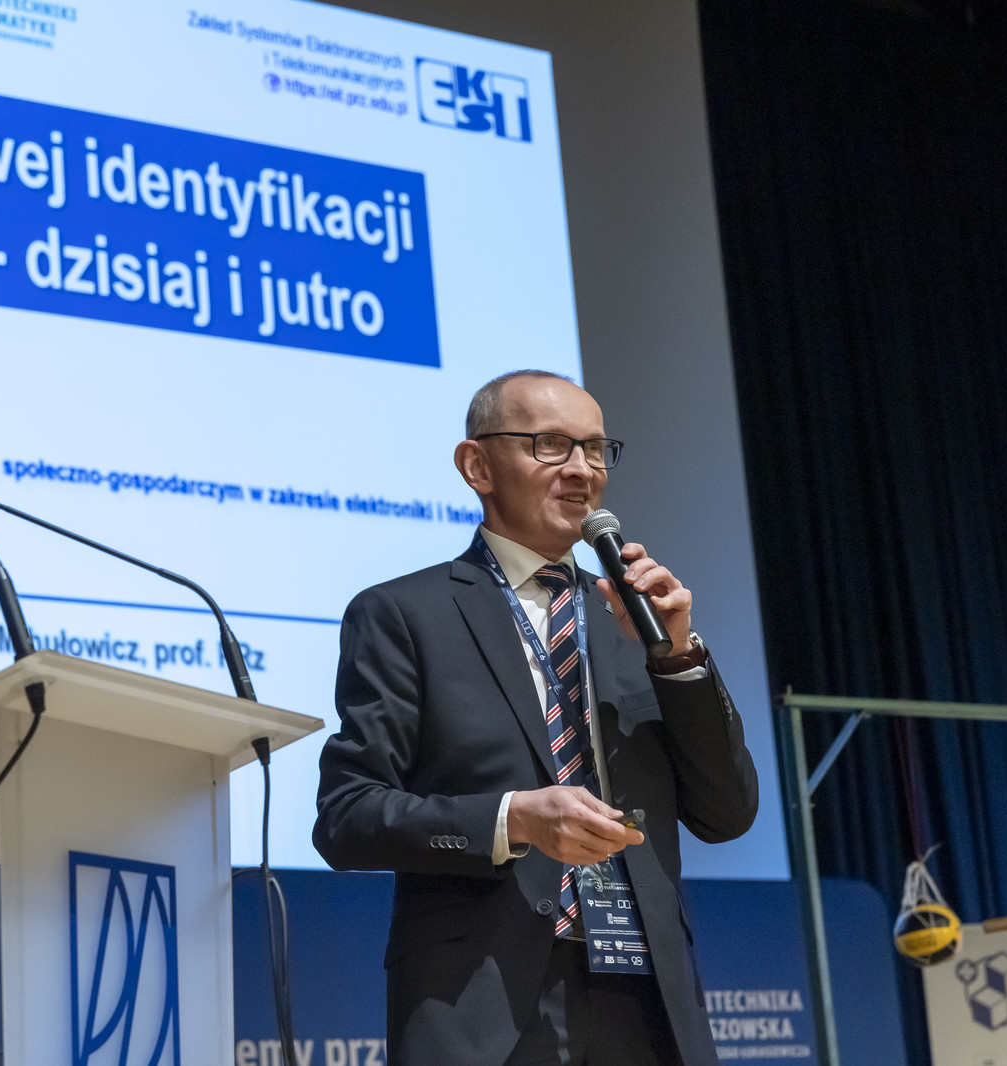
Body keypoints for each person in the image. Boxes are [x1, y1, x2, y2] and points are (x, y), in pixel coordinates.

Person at [313, 371, 758, 1065]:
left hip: (646, 1002)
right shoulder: (405, 615)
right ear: (477, 466)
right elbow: (347, 818)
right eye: (551, 445)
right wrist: (512, 819)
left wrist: (678, 658)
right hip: (481, 1003)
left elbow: (726, 814)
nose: (582, 469)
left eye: (596, 449)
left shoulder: (636, 619)